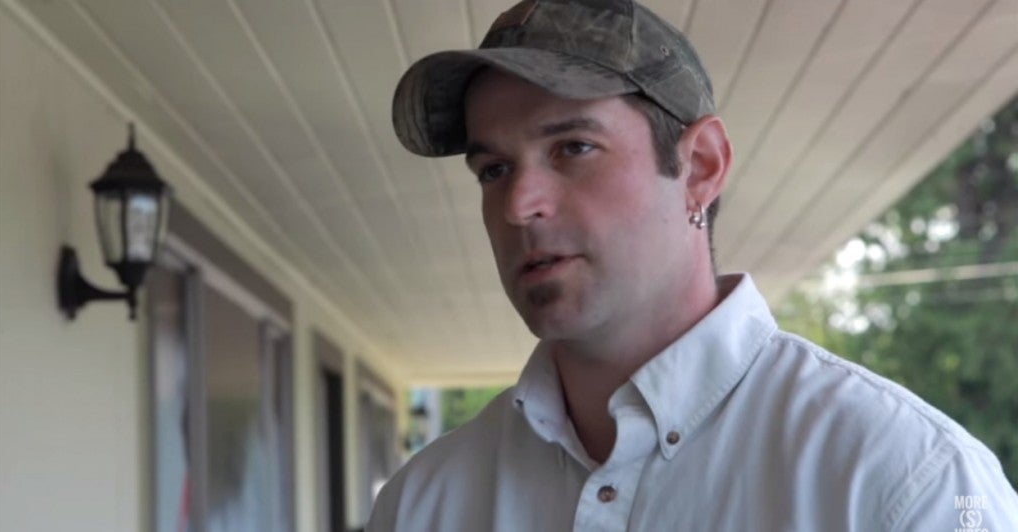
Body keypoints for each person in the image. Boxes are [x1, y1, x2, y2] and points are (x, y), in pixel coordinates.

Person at [369, 0, 1018, 530]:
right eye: (493, 170)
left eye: (573, 147)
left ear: (701, 167)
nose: (518, 205)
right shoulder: (422, 504)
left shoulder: (909, 479)